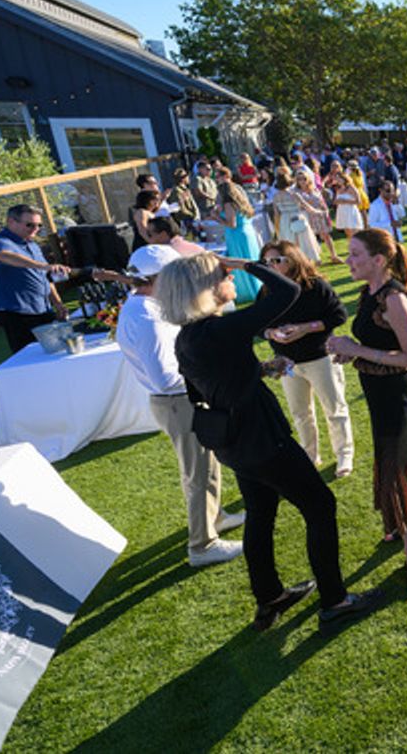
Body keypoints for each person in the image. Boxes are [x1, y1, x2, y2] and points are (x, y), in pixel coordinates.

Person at [157, 252, 380, 629]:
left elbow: (214, 382)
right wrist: (244, 263)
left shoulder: (188, 337)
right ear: (204, 288)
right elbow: (287, 291)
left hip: (234, 443)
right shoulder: (220, 329)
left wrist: (259, 369)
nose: (230, 278)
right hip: (261, 438)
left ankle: (270, 597)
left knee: (261, 513)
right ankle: (335, 599)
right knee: (320, 505)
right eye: (223, 275)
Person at [108, 245, 244, 566]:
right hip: (178, 401)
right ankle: (202, 545)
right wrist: (206, 377)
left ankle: (215, 517)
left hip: (177, 400)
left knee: (205, 467)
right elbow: (164, 377)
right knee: (199, 473)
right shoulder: (147, 316)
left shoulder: (144, 306)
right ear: (159, 278)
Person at [324, 230, 407, 596]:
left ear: (379, 260)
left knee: (394, 462)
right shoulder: (368, 292)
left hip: (395, 392)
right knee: (401, 452)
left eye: (355, 254)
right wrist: (351, 352)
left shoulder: (394, 299)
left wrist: (357, 349)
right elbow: (375, 342)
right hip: (374, 389)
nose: (348, 260)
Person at [259, 241, 355, 478]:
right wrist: (271, 333)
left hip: (319, 358)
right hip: (287, 363)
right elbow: (258, 324)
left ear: (292, 260)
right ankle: (310, 455)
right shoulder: (267, 291)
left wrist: (305, 328)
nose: (271, 266)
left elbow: (338, 315)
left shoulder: (315, 286)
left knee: (334, 408)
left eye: (276, 261)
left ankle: (344, 455)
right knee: (300, 413)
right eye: (266, 262)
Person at [0, 204, 70, 352]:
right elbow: (5, 256)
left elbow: (45, 278)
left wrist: (58, 304)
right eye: (30, 225)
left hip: (43, 310)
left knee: (58, 351)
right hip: (16, 313)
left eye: (39, 225)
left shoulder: (33, 245)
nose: (35, 229)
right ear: (11, 222)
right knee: (30, 356)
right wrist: (43, 266)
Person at [215, 166, 262, 301]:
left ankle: (246, 292)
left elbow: (232, 224)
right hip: (247, 232)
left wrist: (216, 217)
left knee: (240, 262)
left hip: (237, 235)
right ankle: (256, 288)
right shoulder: (239, 200)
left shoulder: (229, 203)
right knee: (250, 259)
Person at [271, 167, 321, 263]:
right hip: (297, 217)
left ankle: (295, 261)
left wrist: (277, 227)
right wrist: (317, 212)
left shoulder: (276, 197)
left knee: (290, 242)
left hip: (284, 220)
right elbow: (307, 207)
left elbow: (276, 214)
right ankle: (308, 260)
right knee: (304, 241)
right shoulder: (294, 194)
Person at [295, 169, 342, 264]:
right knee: (310, 238)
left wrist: (325, 212)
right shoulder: (297, 192)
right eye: (299, 179)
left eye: (304, 178)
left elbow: (321, 201)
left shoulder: (314, 189)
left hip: (320, 215)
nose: (302, 181)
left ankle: (334, 255)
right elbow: (300, 205)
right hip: (307, 216)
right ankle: (314, 258)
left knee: (326, 235)